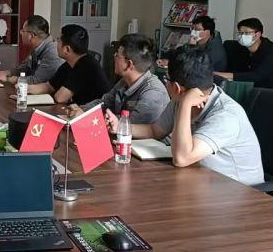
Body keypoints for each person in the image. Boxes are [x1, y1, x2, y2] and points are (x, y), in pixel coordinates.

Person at [108, 47, 264, 186]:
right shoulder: (180, 100)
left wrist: (185, 104)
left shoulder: (226, 115)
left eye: (166, 79)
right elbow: (155, 130)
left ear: (177, 87)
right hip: (202, 181)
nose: (165, 83)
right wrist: (120, 126)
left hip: (239, 194)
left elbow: (182, 158)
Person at [68, 33, 169, 123]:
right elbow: (104, 103)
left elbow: (129, 124)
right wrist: (81, 109)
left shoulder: (153, 93)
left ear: (129, 64)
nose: (114, 56)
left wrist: (85, 117)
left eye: (117, 55)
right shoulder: (124, 82)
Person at [26, 24, 111, 105]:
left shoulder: (86, 64)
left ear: (67, 49)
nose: (56, 43)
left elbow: (60, 98)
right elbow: (49, 86)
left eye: (58, 40)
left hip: (94, 113)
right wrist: (24, 89)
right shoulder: (69, 63)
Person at [0, 15, 63, 85]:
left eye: (23, 31)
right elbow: (24, 68)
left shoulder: (52, 52)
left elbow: (36, 81)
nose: (21, 33)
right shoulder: (37, 47)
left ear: (31, 35)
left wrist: (8, 79)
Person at [214, 17, 273, 89]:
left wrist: (225, 75)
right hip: (249, 86)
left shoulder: (270, 50)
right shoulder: (241, 48)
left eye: (246, 33)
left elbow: (257, 75)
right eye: (240, 33)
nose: (242, 36)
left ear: (258, 34)